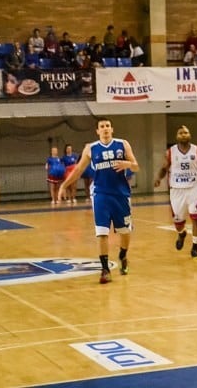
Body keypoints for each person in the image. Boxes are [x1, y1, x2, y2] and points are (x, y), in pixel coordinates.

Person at [58, 118, 140, 284]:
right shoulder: (91, 148)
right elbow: (79, 169)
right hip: (100, 194)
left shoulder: (122, 144)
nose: (105, 129)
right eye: (102, 127)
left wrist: (128, 164)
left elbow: (136, 166)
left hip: (121, 194)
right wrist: (64, 185)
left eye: (108, 126)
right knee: (102, 232)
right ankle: (105, 269)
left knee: (124, 231)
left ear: (112, 129)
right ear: (97, 131)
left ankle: (123, 255)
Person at [155, 126, 197, 259]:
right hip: (176, 190)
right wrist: (159, 178)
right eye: (181, 133)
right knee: (178, 222)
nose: (184, 135)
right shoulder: (170, 152)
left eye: (186, 132)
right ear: (177, 136)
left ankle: (195, 248)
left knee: (196, 218)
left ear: (189, 134)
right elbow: (164, 168)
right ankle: (182, 233)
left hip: (193, 188)